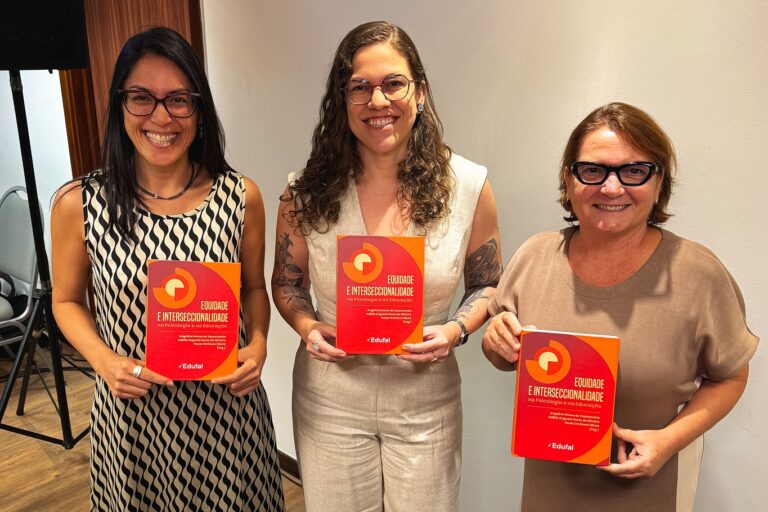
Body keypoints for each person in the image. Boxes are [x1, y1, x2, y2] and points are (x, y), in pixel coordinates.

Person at [51, 27, 284, 511]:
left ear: (200, 110)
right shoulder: (79, 203)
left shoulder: (242, 197)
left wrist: (258, 345)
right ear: (120, 104)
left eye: (179, 99)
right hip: (133, 420)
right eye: (141, 97)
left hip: (227, 419)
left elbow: (254, 290)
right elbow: (66, 300)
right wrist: (102, 361)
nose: (161, 116)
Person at [482, 102, 758, 512]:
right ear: (568, 177)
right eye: (593, 170)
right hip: (548, 493)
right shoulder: (534, 256)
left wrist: (668, 442)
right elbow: (501, 352)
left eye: (634, 171)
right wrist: (496, 339)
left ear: (659, 180)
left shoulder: (697, 273)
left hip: (651, 491)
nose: (611, 188)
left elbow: (731, 376)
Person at [271, 21, 501, 512]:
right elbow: (287, 283)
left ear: (419, 91)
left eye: (393, 83)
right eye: (360, 87)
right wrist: (307, 326)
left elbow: (487, 284)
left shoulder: (468, 187)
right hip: (329, 398)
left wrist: (457, 331)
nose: (378, 101)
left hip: (426, 402)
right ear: (342, 99)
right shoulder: (304, 192)